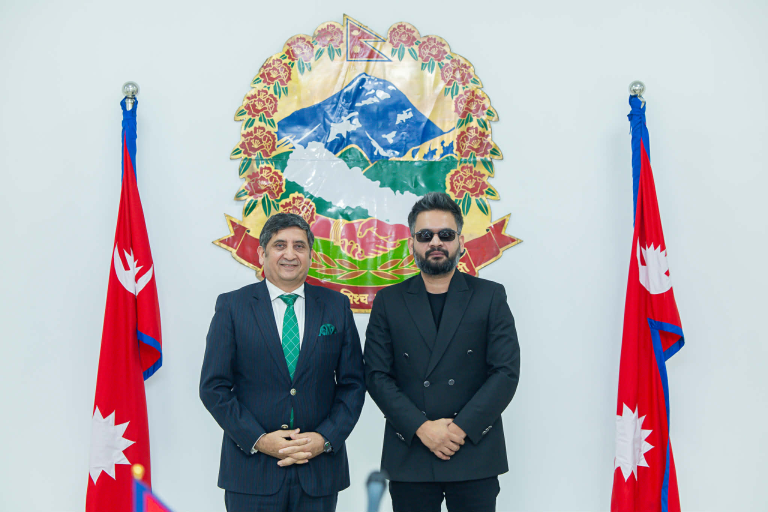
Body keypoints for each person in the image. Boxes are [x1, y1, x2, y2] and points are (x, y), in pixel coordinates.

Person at [364, 192, 521, 512]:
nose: (435, 242)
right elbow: (377, 375)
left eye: (445, 234)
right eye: (425, 235)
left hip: (474, 448)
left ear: (461, 241)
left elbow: (505, 372)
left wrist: (459, 429)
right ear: (412, 243)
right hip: (411, 450)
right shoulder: (388, 301)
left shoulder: (490, 296)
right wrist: (423, 429)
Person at [200, 213, 365, 512]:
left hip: (318, 472)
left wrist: (325, 438)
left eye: (299, 246)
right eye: (280, 245)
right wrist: (259, 440)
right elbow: (214, 387)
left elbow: (353, 384)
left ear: (311, 256)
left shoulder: (336, 306)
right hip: (251, 473)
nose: (290, 254)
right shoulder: (232, 306)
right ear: (261, 254)